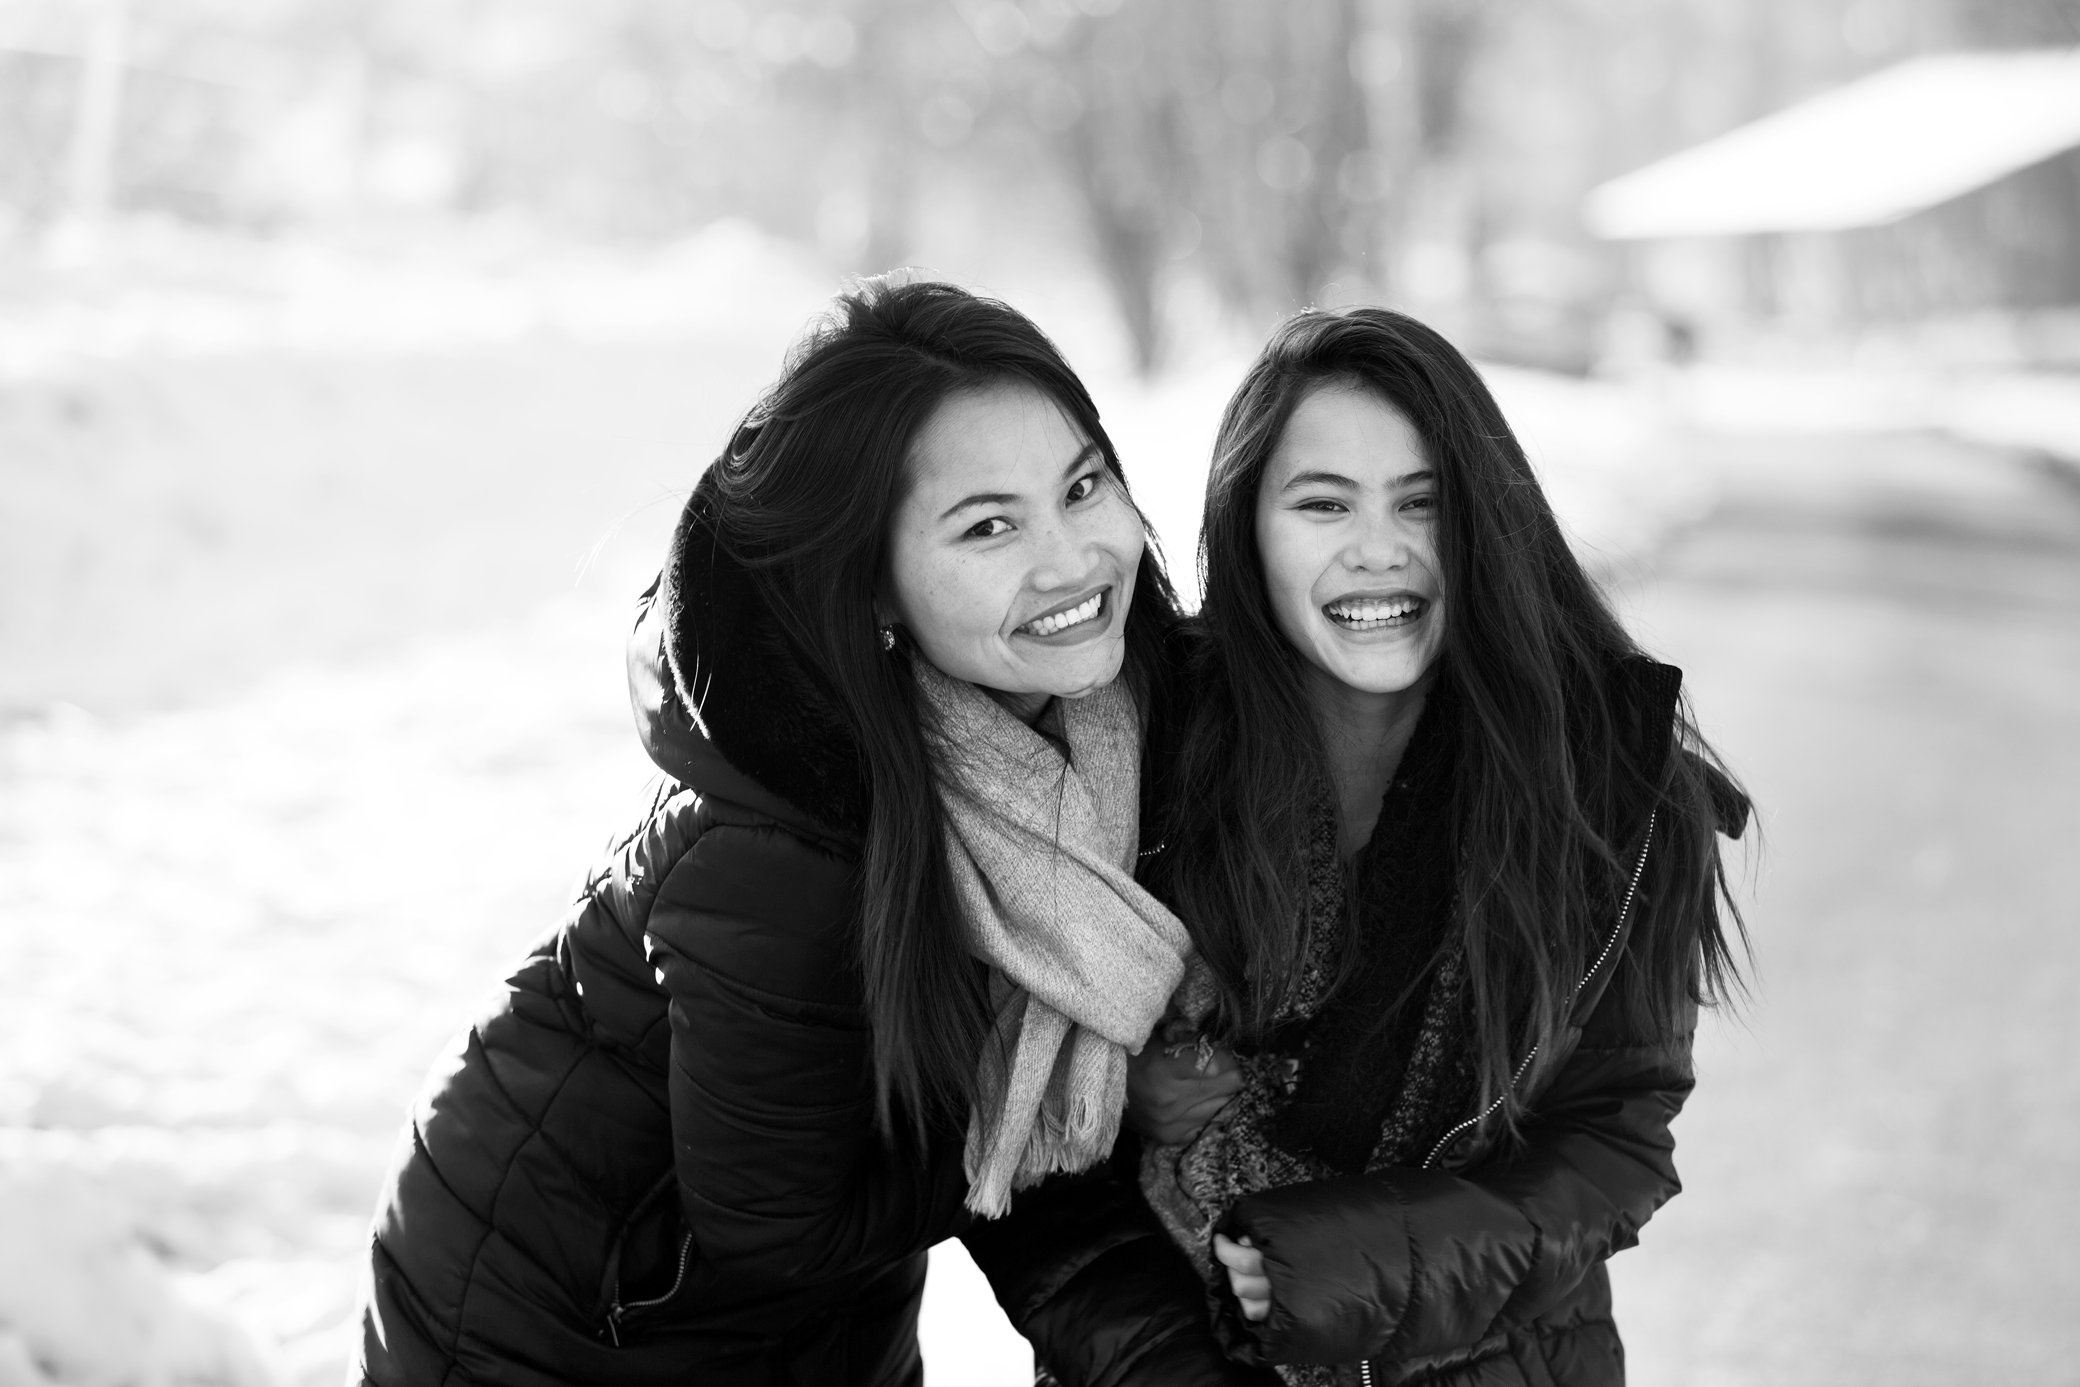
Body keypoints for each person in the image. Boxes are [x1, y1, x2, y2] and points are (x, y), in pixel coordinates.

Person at [353, 278, 1230, 1384]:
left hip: (806, 1331)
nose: (1071, 561)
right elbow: (779, 1226)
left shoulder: (1092, 734)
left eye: (1082, 486)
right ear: (872, 586)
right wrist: (1094, 1105)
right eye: (989, 525)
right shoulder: (784, 854)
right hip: (554, 1313)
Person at [967, 306, 1748, 1387]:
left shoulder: (1604, 789)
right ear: (1250, 529)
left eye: (1422, 505)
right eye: (1323, 504)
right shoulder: (1137, 752)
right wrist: (1108, 1099)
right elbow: (1018, 1152)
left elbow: (1610, 1148)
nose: (1377, 551)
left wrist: (1341, 1264)